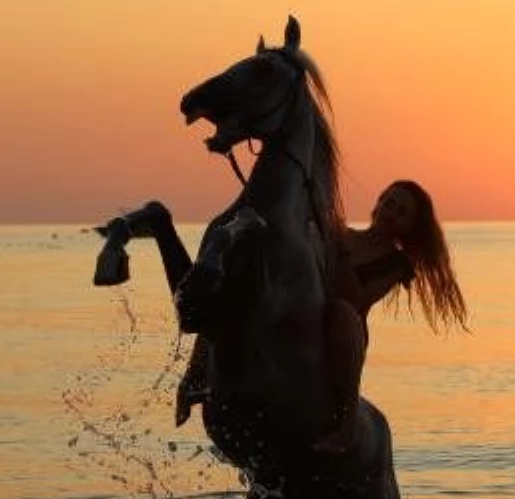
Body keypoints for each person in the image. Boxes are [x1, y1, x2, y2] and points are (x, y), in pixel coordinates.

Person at [175, 180, 468, 451]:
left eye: (402, 212)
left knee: (342, 310)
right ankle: (194, 377)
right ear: (378, 203)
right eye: (390, 203)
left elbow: (357, 297)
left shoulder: (397, 263)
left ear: (411, 226)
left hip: (344, 329)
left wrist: (336, 250)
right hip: (307, 310)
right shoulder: (340, 233)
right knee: (242, 296)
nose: (392, 213)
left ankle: (347, 422)